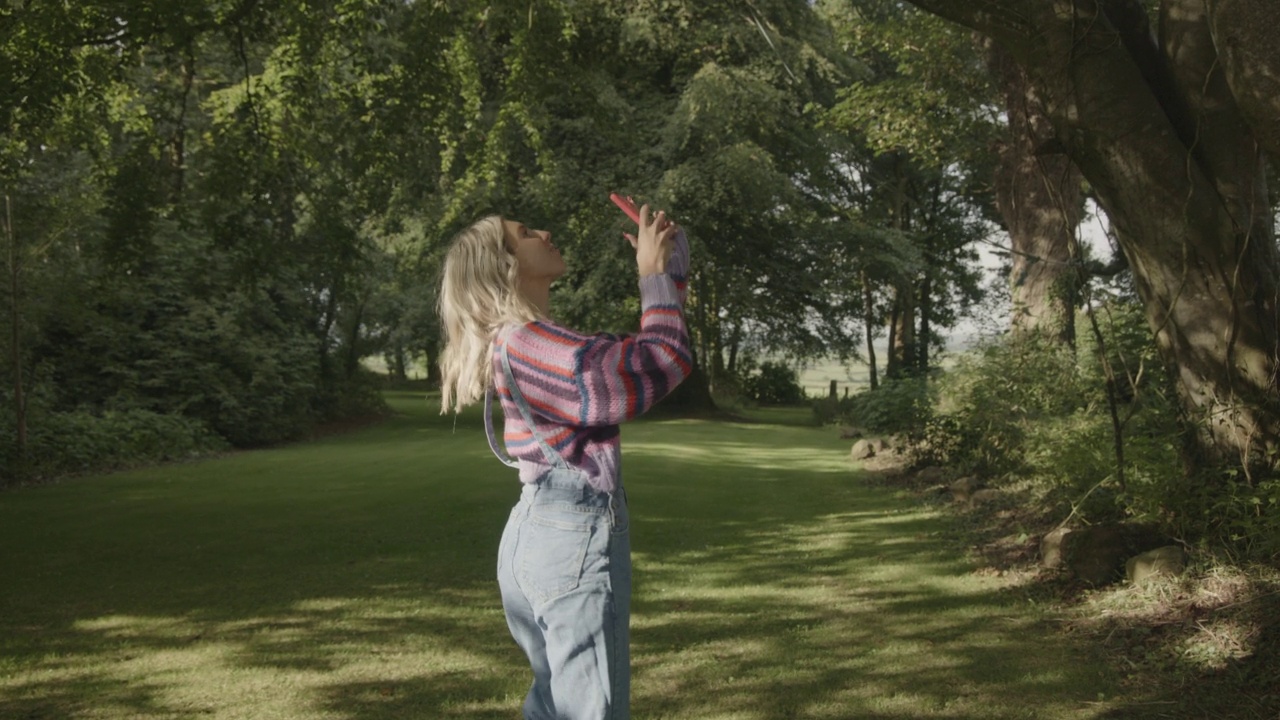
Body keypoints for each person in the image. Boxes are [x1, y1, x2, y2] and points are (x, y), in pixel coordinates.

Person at [437, 204, 691, 719]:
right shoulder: (533, 344)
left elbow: (624, 356)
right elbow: (659, 362)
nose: (544, 232)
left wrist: (669, 275)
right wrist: (652, 277)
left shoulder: (531, 340)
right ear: (504, 264)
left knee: (554, 707)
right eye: (525, 233)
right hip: (570, 543)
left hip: (542, 535)